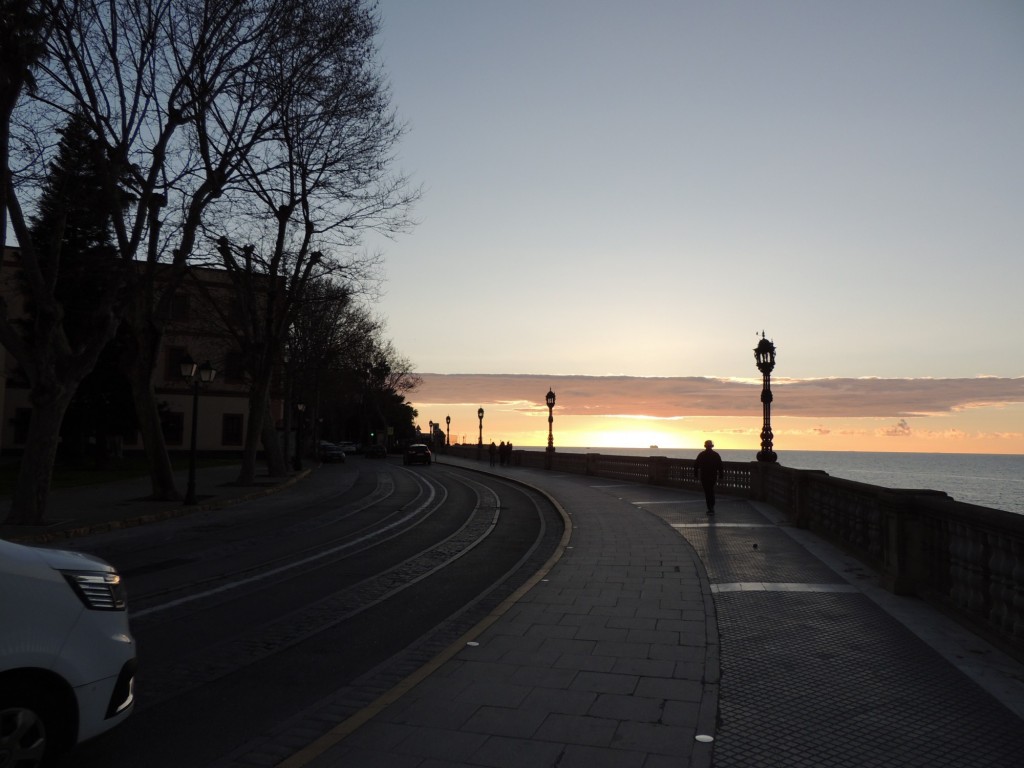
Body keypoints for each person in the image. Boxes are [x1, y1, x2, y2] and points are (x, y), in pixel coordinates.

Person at [694, 440, 724, 515]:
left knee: (707, 492)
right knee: (711, 490)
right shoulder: (716, 455)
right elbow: (720, 466)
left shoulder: (701, 454)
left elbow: (696, 466)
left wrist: (695, 475)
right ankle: (712, 506)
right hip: (713, 476)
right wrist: (721, 475)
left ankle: (710, 507)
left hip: (704, 476)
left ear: (705, 446)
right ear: (711, 446)